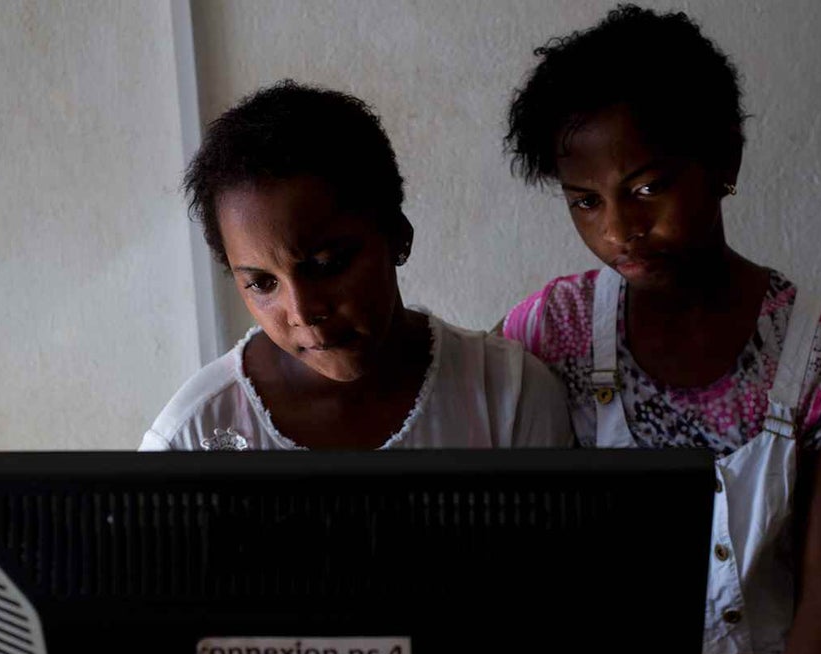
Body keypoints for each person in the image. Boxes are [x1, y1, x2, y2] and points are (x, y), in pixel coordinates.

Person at [500, 6, 821, 654]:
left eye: (647, 187)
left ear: (724, 158)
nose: (621, 229)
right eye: (585, 201)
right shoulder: (559, 329)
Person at [141, 81, 572, 452]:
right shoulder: (193, 434)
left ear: (398, 235)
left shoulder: (508, 394)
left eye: (327, 264)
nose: (303, 310)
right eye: (262, 283)